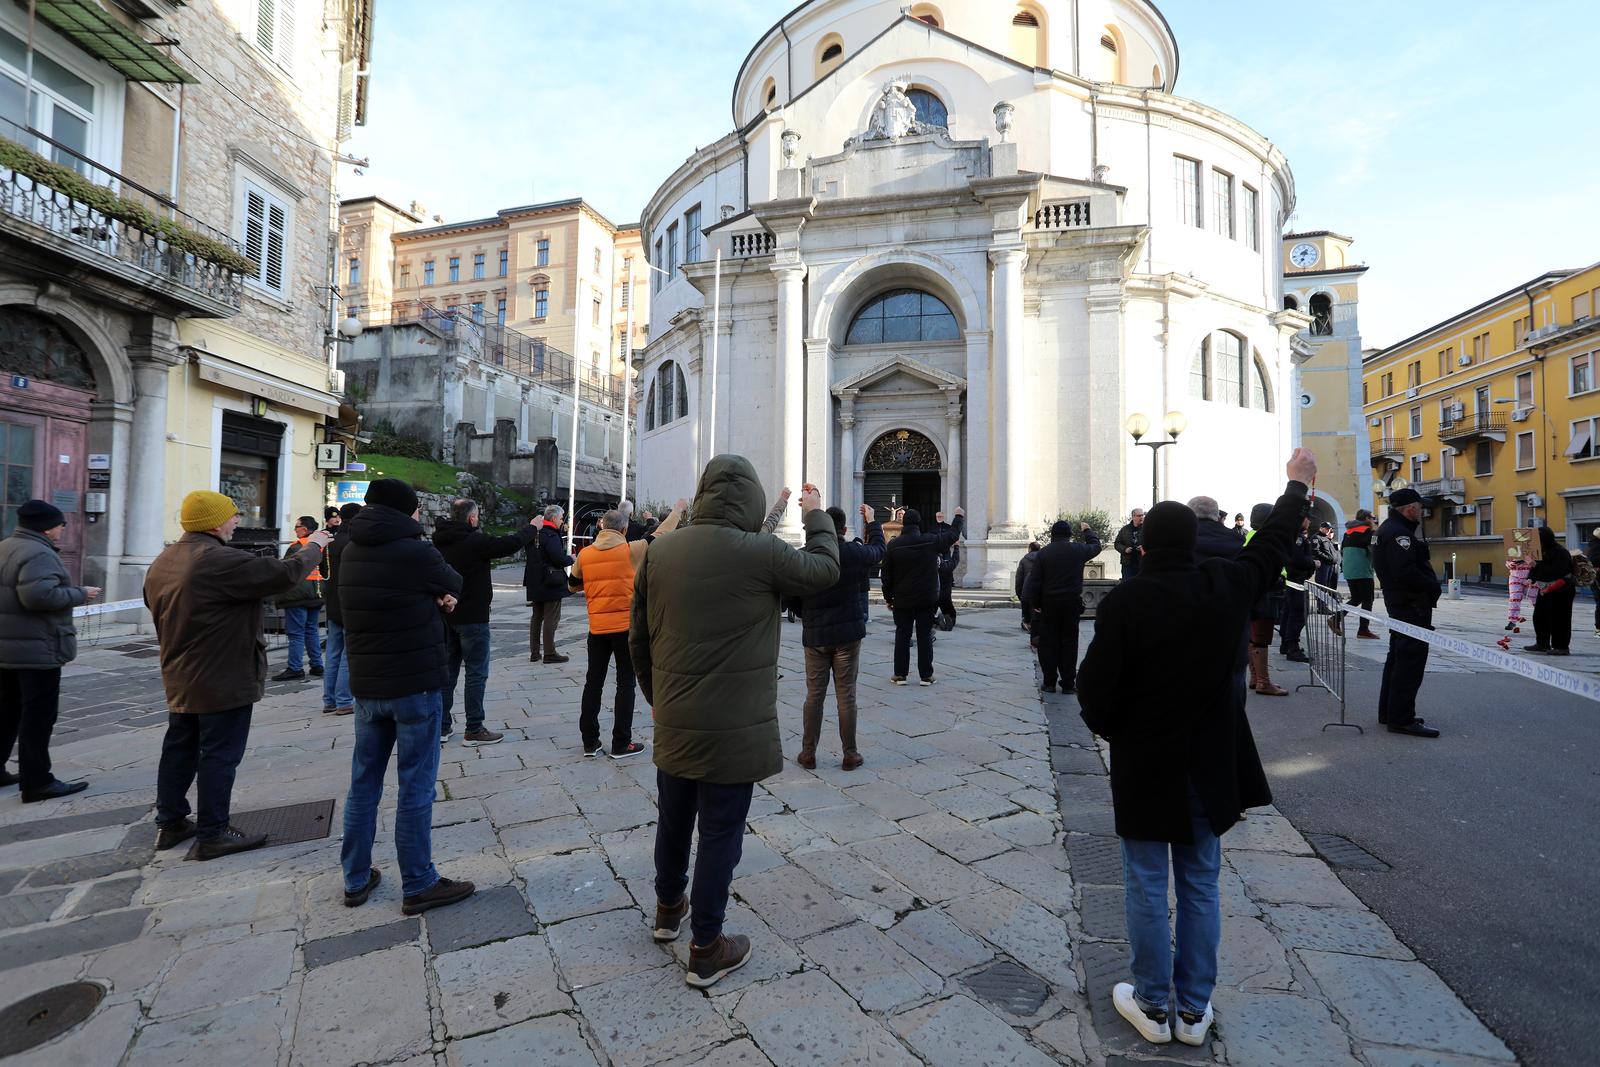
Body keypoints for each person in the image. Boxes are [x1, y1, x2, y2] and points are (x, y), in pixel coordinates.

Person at [1076, 448, 1316, 1050]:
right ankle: (1192, 1007)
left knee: (1145, 881)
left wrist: (1118, 730)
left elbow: (1093, 689)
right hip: (1209, 760)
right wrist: (1296, 488)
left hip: (1145, 762)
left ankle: (1151, 1003)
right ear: (1195, 543)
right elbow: (1271, 545)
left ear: (1143, 547)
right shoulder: (1225, 585)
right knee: (1202, 881)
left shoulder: (1126, 601)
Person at [631, 459, 839, 988]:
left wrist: (657, 698)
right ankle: (706, 946)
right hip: (734, 725)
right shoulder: (761, 552)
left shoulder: (660, 551)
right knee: (720, 831)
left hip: (675, 716)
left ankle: (668, 910)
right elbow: (824, 571)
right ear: (750, 499)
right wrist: (816, 516)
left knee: (673, 819)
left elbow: (638, 637)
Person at [145, 491, 331, 859]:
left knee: (179, 749)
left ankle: (171, 822)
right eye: (232, 516)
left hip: (181, 671)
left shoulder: (165, 559)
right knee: (219, 754)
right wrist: (315, 545)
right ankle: (213, 833)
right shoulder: (217, 559)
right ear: (215, 523)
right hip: (222, 674)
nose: (236, 522)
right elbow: (286, 574)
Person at [338, 478, 476, 914]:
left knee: (363, 783)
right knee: (416, 784)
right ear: (408, 510)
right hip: (414, 684)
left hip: (367, 684)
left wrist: (431, 599)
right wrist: (440, 597)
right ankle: (418, 882)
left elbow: (382, 600)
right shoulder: (416, 551)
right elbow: (454, 581)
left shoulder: (349, 549)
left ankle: (355, 877)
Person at [0, 500, 100, 801]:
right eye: (60, 524)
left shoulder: (6, 546)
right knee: (38, 718)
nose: (62, 529)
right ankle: (37, 782)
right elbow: (38, 596)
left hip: (9, 647)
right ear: (46, 527)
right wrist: (80, 594)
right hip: (37, 649)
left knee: (7, 713)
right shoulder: (39, 553)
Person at [569, 500, 684, 758]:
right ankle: (622, 743)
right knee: (625, 684)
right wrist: (677, 510)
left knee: (593, 683)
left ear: (602, 527)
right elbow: (661, 533)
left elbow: (572, 585)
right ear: (623, 530)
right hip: (625, 629)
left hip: (597, 630)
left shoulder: (586, 554)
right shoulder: (632, 550)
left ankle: (590, 742)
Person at [433, 498, 541, 744]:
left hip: (446, 614)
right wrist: (533, 527)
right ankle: (474, 728)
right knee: (475, 672)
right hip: (473, 615)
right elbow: (509, 543)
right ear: (472, 518)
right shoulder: (475, 541)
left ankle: (441, 726)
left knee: (447, 672)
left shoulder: (439, 540)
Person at [787, 504, 884, 770]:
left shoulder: (805, 555)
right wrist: (872, 522)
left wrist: (806, 613)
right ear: (843, 528)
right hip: (847, 635)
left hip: (816, 636)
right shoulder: (853, 552)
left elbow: (789, 593)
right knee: (846, 695)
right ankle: (850, 754)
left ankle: (808, 753)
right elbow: (879, 550)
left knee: (814, 695)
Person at [1373, 488, 1441, 737]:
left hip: (1402, 603)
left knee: (1397, 658)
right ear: (1410, 509)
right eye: (1419, 507)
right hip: (1411, 604)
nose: (1422, 511)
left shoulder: (1388, 529)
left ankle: (1390, 712)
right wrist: (1432, 586)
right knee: (1410, 661)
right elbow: (1405, 572)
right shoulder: (1399, 534)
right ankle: (1401, 719)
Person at [880, 507, 964, 685]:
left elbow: (886, 575)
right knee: (924, 636)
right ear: (919, 524)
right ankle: (926, 676)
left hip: (902, 598)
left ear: (903, 523)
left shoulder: (893, 545)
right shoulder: (930, 541)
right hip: (926, 598)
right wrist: (958, 516)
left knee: (902, 636)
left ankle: (900, 675)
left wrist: (888, 598)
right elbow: (952, 536)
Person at [1023, 521, 1102, 694]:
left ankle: (1049, 682)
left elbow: (1035, 581)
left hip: (1049, 605)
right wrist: (1087, 531)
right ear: (1069, 534)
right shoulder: (1078, 550)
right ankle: (1068, 683)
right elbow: (1096, 546)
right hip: (1071, 604)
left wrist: (1035, 604)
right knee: (1069, 642)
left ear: (1053, 534)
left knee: (1048, 642)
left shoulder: (1044, 553)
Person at [320, 502, 363, 716]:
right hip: (350, 604)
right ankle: (344, 700)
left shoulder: (331, 542)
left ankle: (329, 700)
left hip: (332, 603)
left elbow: (323, 571)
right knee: (348, 654)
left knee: (333, 653)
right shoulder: (356, 542)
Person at [1242, 504, 1288, 697]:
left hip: (1257, 591)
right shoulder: (1264, 538)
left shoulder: (1251, 535)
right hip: (1266, 592)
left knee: (1253, 636)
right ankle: (1263, 681)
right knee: (1261, 637)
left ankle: (1255, 677)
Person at [272, 516, 325, 681]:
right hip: (316, 594)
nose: (295, 530)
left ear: (305, 529)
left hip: (297, 595)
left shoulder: (298, 546)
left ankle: (295, 668)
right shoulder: (321, 545)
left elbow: (287, 569)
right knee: (312, 630)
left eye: (297, 527)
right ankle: (317, 665)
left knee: (296, 633)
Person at [524, 504, 573, 664]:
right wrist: (570, 559)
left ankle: (534, 652)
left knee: (536, 617)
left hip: (534, 580)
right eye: (561, 518)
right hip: (550, 581)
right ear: (554, 518)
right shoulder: (551, 535)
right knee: (551, 617)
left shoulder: (534, 533)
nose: (562, 521)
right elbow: (557, 558)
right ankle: (550, 653)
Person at [1526, 525, 1576, 656]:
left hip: (1561, 590)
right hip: (1545, 589)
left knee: (1560, 619)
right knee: (1540, 617)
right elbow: (1535, 568)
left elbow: (1557, 572)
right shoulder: (1541, 551)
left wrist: (1536, 565)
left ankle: (1561, 647)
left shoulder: (1560, 552)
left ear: (1545, 540)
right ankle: (1542, 644)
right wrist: (1531, 578)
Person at [1277, 518, 1315, 664]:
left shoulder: (1293, 534)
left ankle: (1286, 644)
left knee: (1288, 613)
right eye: (1307, 519)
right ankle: (1292, 648)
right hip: (1296, 581)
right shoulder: (1297, 537)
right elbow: (1297, 560)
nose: (1309, 522)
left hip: (1293, 581)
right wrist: (1313, 563)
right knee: (1298, 614)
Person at [1340, 511, 1379, 639]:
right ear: (1367, 519)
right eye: (1372, 518)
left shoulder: (1347, 532)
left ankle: (1336, 618)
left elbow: (1342, 551)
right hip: (1363, 571)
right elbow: (1376, 549)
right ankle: (1363, 630)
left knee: (1356, 598)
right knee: (1368, 600)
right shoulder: (1369, 532)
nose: (1373, 521)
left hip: (1349, 571)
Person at [934, 511, 962, 632]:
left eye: (941, 516)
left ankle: (936, 620)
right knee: (947, 607)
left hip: (933, 595)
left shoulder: (928, 565)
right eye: (938, 516)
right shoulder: (946, 566)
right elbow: (955, 560)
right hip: (944, 596)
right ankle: (946, 619)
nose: (939, 517)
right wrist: (957, 547)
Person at [1015, 541, 1043, 631]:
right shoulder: (1044, 559)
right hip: (1040, 591)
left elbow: (1019, 578)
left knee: (1027, 611)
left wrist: (1019, 593)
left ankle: (1027, 623)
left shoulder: (1024, 560)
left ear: (1030, 549)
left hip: (1026, 591)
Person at [1114, 509, 1146, 579]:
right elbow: (1117, 543)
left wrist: (1143, 547)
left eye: (1142, 515)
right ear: (1133, 517)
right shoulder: (1125, 529)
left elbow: (1153, 543)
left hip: (1143, 563)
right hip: (1128, 564)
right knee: (1127, 583)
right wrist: (1125, 549)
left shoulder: (1147, 529)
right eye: (1139, 516)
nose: (1141, 517)